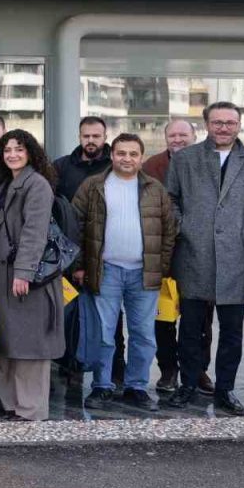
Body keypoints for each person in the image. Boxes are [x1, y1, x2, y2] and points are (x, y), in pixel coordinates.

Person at [165, 101, 244, 416]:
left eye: (230, 122)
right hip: (193, 253)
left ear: (239, 125)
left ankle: (226, 389)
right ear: (207, 125)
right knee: (190, 328)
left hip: (235, 257)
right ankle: (188, 384)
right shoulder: (185, 159)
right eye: (217, 122)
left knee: (232, 331)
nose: (223, 128)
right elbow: (170, 199)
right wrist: (184, 227)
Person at [71, 133, 179, 413]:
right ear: (112, 155)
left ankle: (137, 387)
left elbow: (169, 231)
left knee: (144, 335)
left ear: (141, 157)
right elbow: (76, 225)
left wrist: (160, 266)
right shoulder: (93, 185)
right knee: (104, 334)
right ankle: (102, 385)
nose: (127, 158)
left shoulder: (155, 189)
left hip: (144, 273)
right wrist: (79, 265)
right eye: (121, 153)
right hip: (105, 271)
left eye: (133, 154)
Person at [0, 130, 64, 422]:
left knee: (30, 345)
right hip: (1, 278)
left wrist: (24, 273)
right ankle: (12, 404)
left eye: (19, 149)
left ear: (31, 153)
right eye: (7, 150)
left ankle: (30, 409)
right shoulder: (6, 184)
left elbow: (34, 232)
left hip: (25, 280)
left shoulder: (37, 184)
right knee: (7, 343)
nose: (12, 155)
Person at [143, 119, 208, 395]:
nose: (178, 139)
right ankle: (168, 370)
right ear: (165, 138)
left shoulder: (208, 163)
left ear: (195, 136)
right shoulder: (151, 167)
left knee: (201, 316)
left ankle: (198, 370)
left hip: (200, 253)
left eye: (183, 135)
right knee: (164, 316)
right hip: (163, 253)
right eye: (173, 135)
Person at [53, 116, 112, 201]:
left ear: (105, 138)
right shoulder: (61, 166)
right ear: (79, 137)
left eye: (96, 136)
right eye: (86, 136)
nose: (90, 140)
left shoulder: (113, 166)